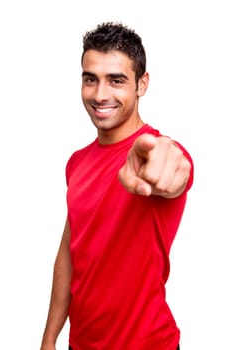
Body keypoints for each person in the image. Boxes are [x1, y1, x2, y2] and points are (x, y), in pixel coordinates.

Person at [40, 22, 194, 350]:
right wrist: (49, 338)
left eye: (117, 80)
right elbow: (70, 253)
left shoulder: (156, 152)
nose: (100, 94)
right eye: (90, 79)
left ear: (142, 84)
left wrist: (167, 170)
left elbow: (176, 172)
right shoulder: (76, 163)